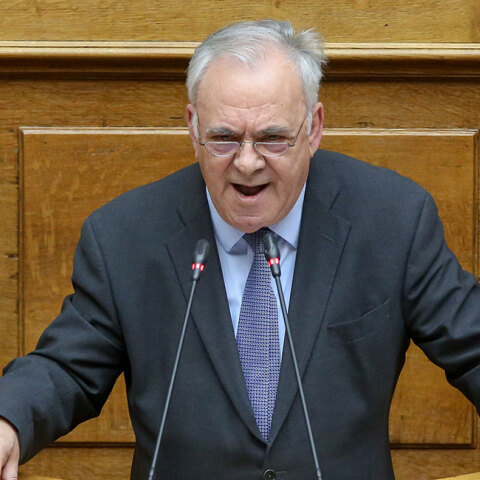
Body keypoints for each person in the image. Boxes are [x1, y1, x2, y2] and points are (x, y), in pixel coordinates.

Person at [0, 19, 480, 480]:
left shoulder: (391, 219)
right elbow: (68, 367)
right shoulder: (126, 235)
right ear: (193, 127)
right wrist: (7, 421)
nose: (247, 163)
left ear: (313, 128)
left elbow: (471, 346)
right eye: (224, 139)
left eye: (272, 139)